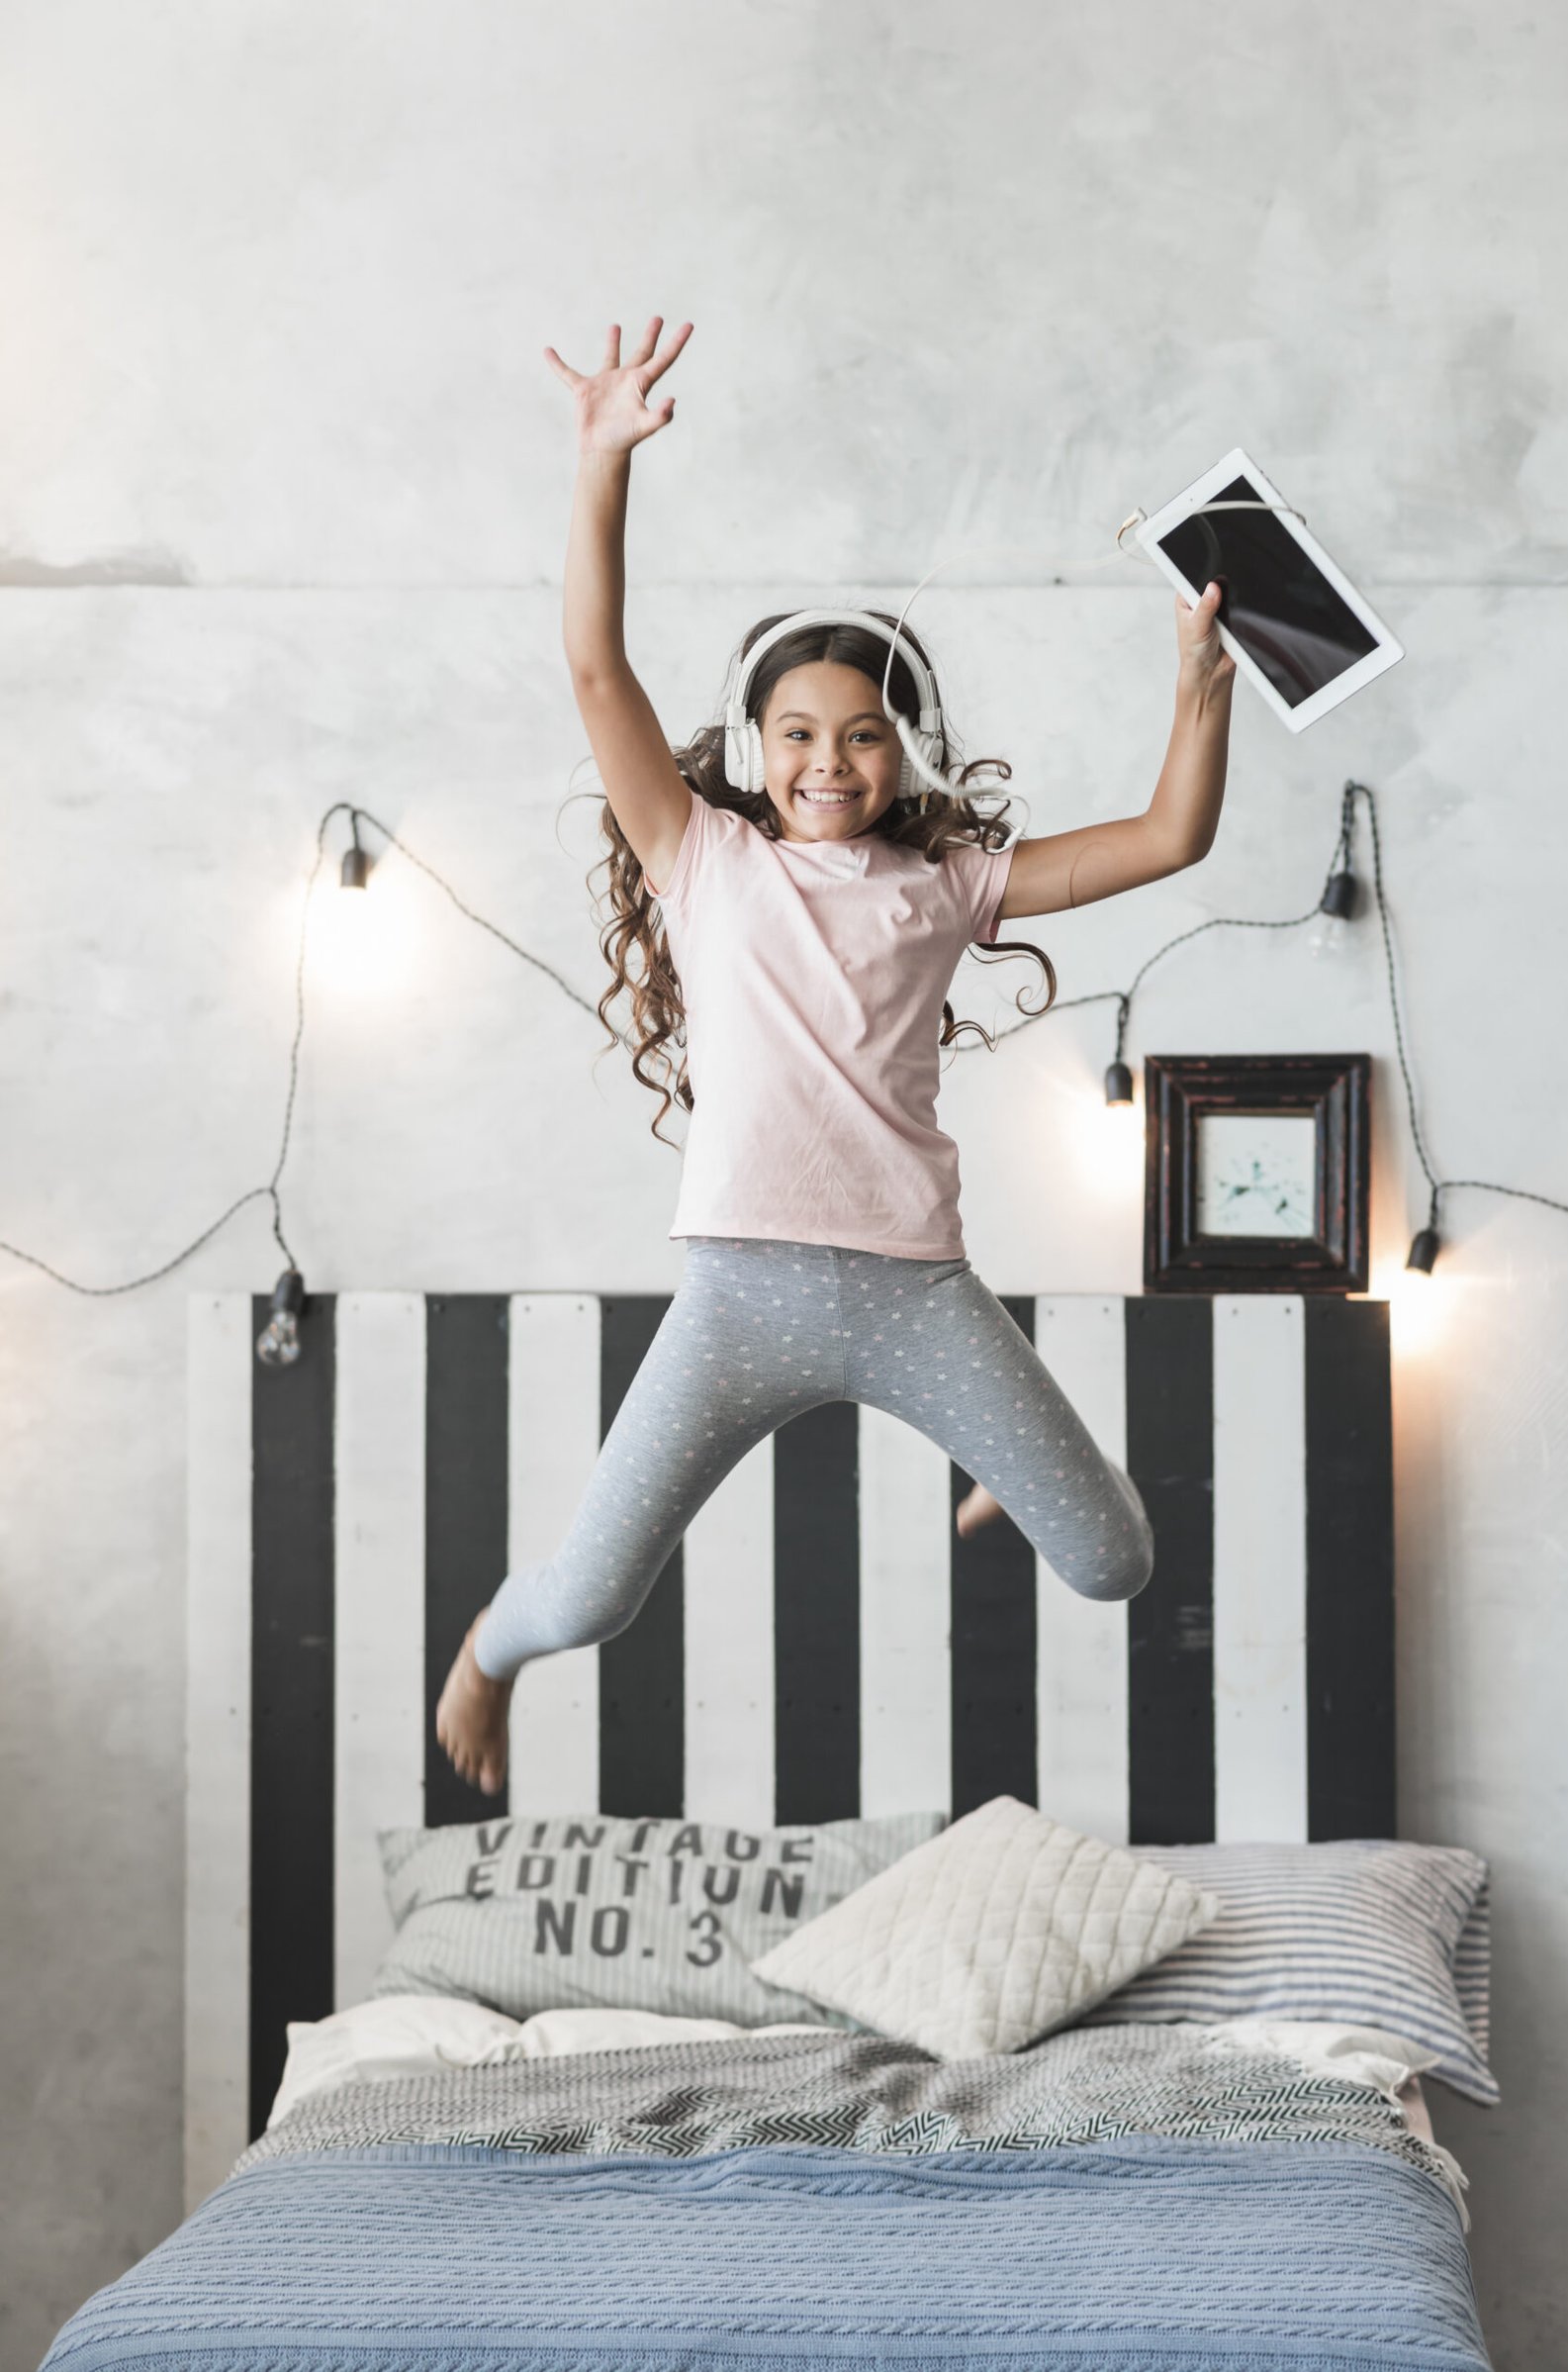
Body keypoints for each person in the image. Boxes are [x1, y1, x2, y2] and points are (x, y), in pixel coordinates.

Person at [437, 315, 1235, 1795]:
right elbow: (594, 663)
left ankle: (1002, 1456)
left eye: (864, 735)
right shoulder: (701, 855)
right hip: (740, 1292)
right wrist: (603, 461)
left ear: (907, 752)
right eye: (796, 731)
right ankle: (493, 1641)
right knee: (599, 1596)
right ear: (749, 743)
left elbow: (1169, 835)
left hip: (913, 1289)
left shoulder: (952, 882)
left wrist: (1202, 681)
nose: (828, 760)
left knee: (1117, 1561)